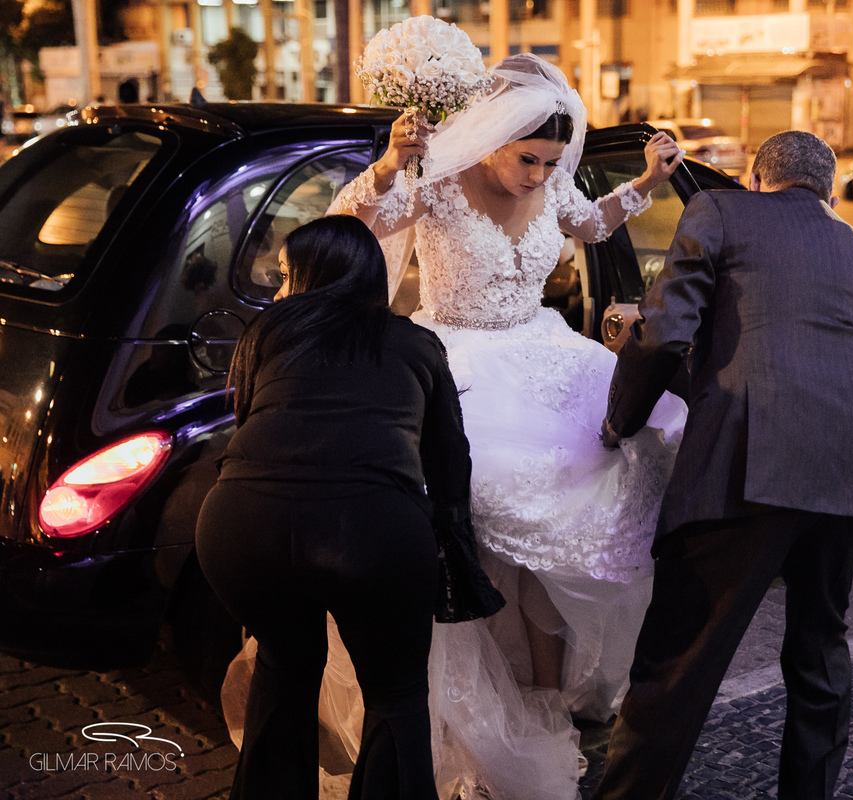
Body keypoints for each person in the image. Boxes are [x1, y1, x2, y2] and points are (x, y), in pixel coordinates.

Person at [221, 53, 687, 800]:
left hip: (542, 351)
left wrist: (645, 185)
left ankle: (544, 685)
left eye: (550, 162)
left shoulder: (557, 178)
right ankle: (451, 709)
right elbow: (349, 231)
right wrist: (385, 168)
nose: (538, 176)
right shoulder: (435, 181)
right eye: (527, 159)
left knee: (624, 457)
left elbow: (592, 225)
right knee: (471, 509)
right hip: (456, 358)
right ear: (491, 140)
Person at [593, 130, 853, 800]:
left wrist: (620, 420)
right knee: (820, 652)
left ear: (757, 178)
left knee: (679, 664)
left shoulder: (719, 210)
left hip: (748, 465)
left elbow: (665, 333)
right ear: (829, 192)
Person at [197, 215, 475, 800]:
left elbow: (250, 428)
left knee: (283, 668)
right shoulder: (416, 343)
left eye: (285, 277)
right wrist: (451, 544)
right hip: (371, 531)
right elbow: (449, 458)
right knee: (395, 695)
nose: (277, 293)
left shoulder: (270, 332)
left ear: (315, 277)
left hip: (242, 526)